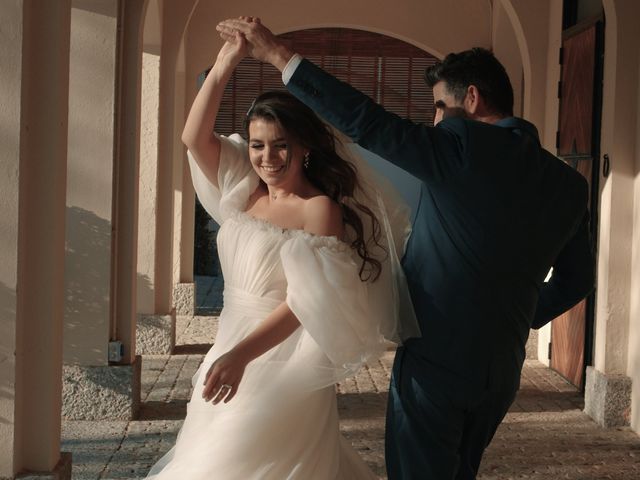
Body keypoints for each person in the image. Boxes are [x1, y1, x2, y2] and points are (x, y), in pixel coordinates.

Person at [216, 17, 596, 480]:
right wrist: (517, 313)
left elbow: (369, 123)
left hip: (437, 363)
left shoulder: (460, 146)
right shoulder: (570, 185)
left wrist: (279, 55)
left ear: (471, 99)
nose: (433, 120)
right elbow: (579, 279)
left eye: (439, 107)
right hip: (502, 368)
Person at [145, 27, 418, 480]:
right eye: (257, 145)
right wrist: (228, 61)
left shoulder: (319, 210)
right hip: (228, 343)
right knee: (208, 452)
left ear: (305, 148)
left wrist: (241, 357)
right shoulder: (244, 187)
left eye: (280, 145)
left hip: (283, 358)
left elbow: (304, 304)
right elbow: (194, 138)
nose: (267, 157)